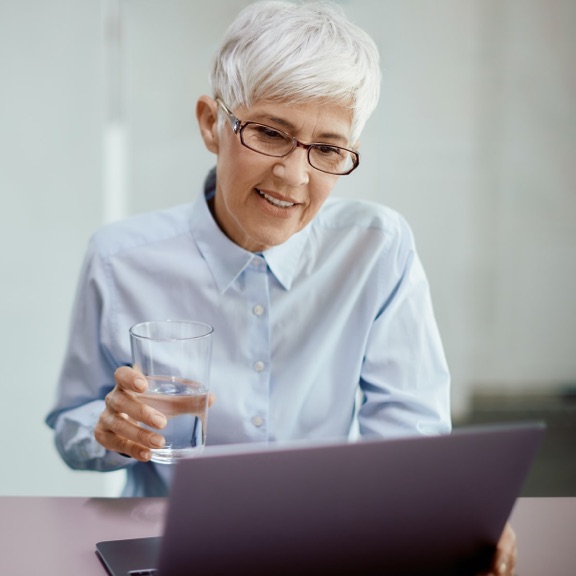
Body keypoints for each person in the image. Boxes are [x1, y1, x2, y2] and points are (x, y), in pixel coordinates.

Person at [46, 1, 516, 574]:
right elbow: (71, 423)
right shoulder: (119, 260)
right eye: (270, 132)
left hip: (328, 546)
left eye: (327, 148)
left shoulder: (377, 247)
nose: (294, 176)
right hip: (163, 548)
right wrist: (108, 429)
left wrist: (447, 511)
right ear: (210, 124)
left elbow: (410, 439)